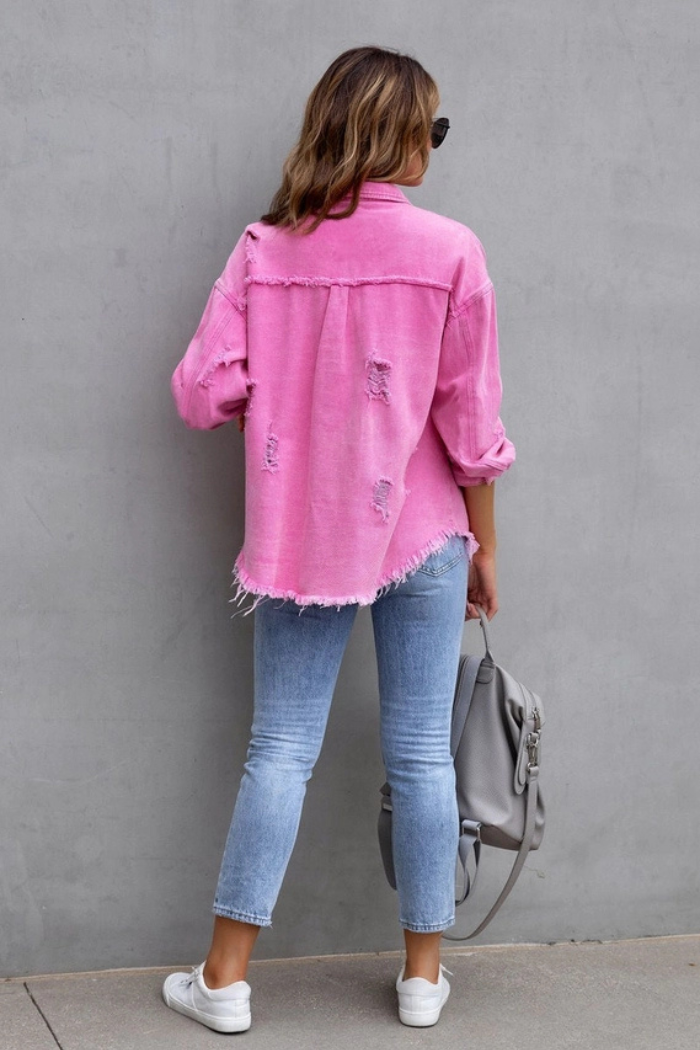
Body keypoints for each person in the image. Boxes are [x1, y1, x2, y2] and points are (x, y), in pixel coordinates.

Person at [163, 45, 515, 1033]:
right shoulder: (453, 252)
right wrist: (486, 547)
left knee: (280, 747)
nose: (433, 149)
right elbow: (471, 426)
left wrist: (281, 409)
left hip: (305, 541)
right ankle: (420, 980)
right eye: (430, 130)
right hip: (428, 531)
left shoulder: (264, 250)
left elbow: (199, 390)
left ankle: (224, 982)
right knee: (420, 755)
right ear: (398, 136)